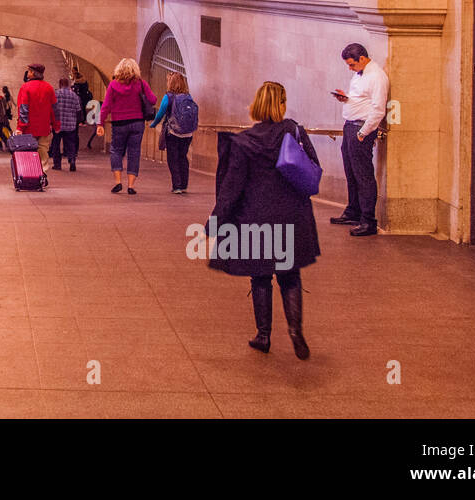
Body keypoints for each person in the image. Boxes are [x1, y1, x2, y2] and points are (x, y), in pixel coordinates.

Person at [208, 81, 320, 359]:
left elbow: (232, 186)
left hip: (256, 217)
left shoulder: (244, 142)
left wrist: (216, 220)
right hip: (290, 216)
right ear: (281, 104)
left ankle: (264, 335)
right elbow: (313, 168)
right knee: (290, 275)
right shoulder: (294, 131)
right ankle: (295, 331)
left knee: (260, 277)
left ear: (256, 105)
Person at [330, 43, 390, 237]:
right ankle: (353, 211)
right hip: (350, 126)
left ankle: (368, 220)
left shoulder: (377, 77)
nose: (350, 68)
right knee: (351, 172)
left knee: (363, 175)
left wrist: (363, 132)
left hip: (360, 129)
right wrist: (346, 98)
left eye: (351, 64)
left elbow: (378, 109)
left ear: (362, 58)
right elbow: (361, 99)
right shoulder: (359, 73)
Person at [96, 58, 157, 195]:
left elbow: (106, 106)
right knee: (134, 152)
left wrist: (100, 123)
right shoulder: (141, 84)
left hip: (119, 123)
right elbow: (153, 100)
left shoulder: (113, 85)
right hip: (137, 122)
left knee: (116, 150)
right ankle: (131, 186)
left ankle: (118, 182)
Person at [149, 71, 198, 194]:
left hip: (173, 133)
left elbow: (160, 113)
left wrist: (154, 124)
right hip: (188, 134)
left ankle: (176, 186)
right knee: (183, 158)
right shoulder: (189, 97)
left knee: (173, 159)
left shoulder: (168, 97)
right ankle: (184, 185)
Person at [16, 63, 58, 172]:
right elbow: (54, 109)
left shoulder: (25, 87)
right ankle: (42, 174)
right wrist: (56, 125)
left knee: (29, 151)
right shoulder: (49, 87)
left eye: (29, 71)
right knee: (43, 151)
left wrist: (20, 127)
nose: (28, 73)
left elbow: (23, 108)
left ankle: (31, 174)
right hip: (44, 127)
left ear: (33, 73)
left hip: (29, 128)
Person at [51, 77, 81, 171]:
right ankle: (72, 160)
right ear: (68, 84)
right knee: (71, 144)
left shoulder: (55, 94)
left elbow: (51, 109)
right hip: (70, 124)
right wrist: (78, 121)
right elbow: (78, 110)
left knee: (56, 143)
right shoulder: (74, 96)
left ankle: (57, 164)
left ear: (60, 84)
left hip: (58, 124)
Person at [74, 71, 94, 149]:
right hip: (85, 97)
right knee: (84, 109)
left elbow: (76, 90)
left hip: (80, 97)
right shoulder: (85, 82)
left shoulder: (77, 83)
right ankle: (84, 120)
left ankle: (81, 120)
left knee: (80, 108)